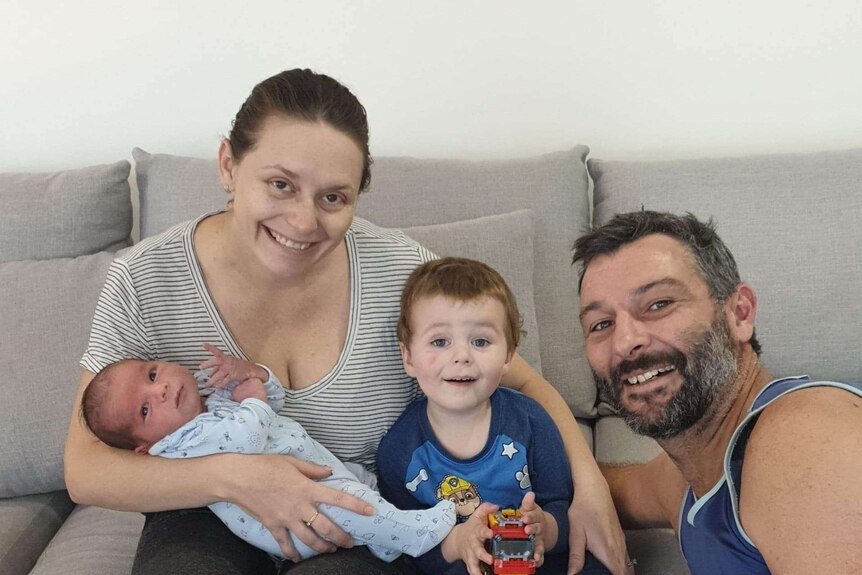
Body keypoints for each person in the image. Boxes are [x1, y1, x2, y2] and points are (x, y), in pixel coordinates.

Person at [64, 68, 628, 575]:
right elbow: (86, 468)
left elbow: (521, 381)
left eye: (333, 197)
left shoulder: (403, 271)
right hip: (207, 511)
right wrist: (239, 477)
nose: (304, 221)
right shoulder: (144, 278)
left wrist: (590, 487)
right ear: (229, 165)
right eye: (280, 184)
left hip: (361, 514)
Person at [572, 210, 862, 574]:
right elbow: (604, 487)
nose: (625, 342)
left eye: (659, 304)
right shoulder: (683, 479)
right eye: (601, 324)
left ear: (739, 314)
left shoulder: (805, 439)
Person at [80, 343, 456, 563]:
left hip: (319, 473)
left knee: (362, 486)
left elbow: (274, 401)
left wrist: (252, 375)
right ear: (144, 447)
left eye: (151, 375)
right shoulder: (184, 444)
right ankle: (414, 536)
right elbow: (247, 438)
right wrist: (254, 400)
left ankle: (382, 540)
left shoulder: (208, 404)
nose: (160, 390)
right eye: (144, 410)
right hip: (292, 516)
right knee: (353, 502)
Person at [377, 257, 611, 575]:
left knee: (593, 564)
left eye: (480, 341)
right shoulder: (399, 451)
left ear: (509, 355)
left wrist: (545, 529)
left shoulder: (532, 422)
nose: (461, 356)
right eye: (440, 341)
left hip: (539, 563)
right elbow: (404, 544)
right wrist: (459, 542)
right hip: (467, 567)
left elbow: (563, 508)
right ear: (408, 357)